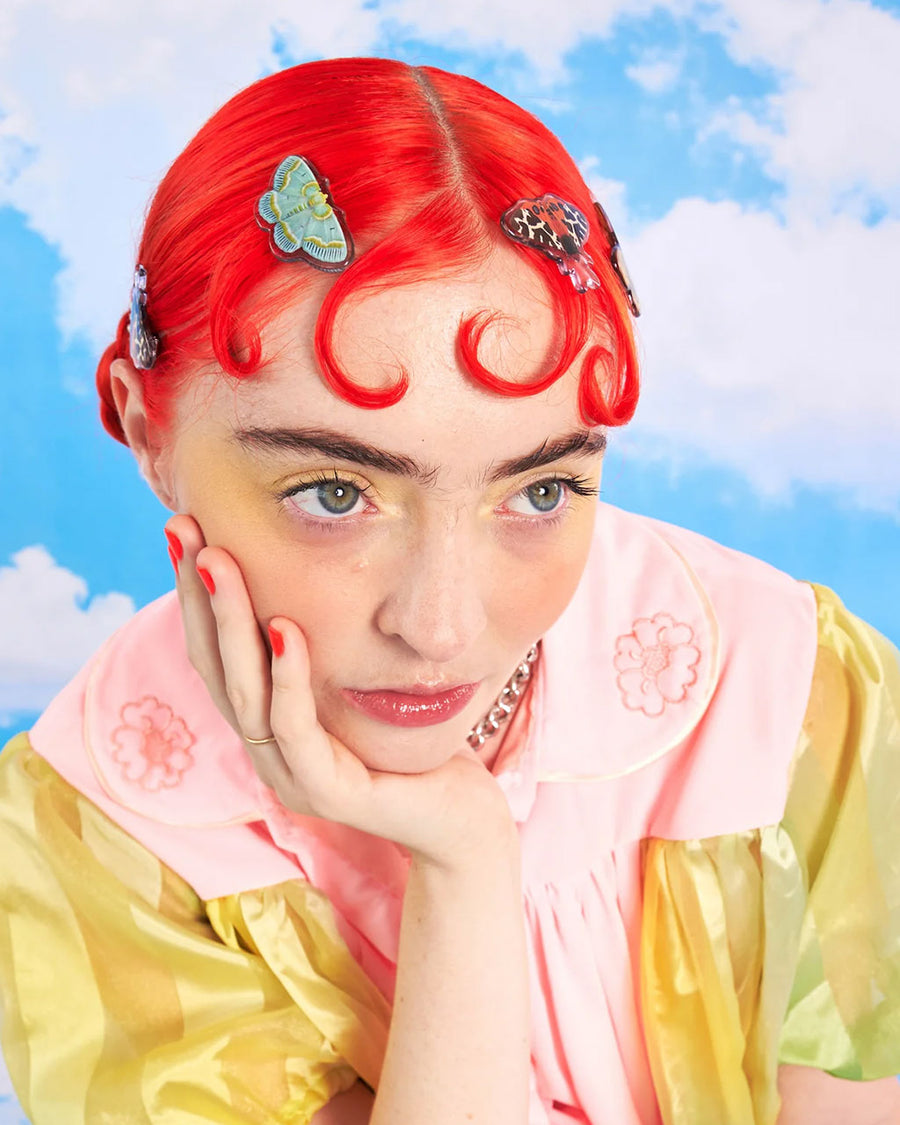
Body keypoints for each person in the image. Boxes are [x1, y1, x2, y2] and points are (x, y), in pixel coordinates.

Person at [0, 56, 898, 1125]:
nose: (441, 628)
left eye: (542, 488)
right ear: (147, 430)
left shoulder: (790, 695)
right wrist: (463, 860)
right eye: (335, 492)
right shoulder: (96, 826)